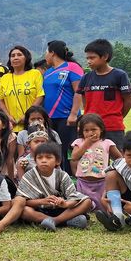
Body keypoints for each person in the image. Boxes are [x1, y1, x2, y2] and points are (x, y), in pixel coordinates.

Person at [17, 142, 93, 231]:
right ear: (35, 160)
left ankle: (55, 221)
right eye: (40, 158)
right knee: (24, 210)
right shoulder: (29, 176)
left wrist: (65, 204)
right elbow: (24, 201)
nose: (43, 160)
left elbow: (74, 197)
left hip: (62, 210)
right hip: (40, 210)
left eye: (48, 157)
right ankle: (67, 221)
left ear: (57, 161)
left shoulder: (62, 175)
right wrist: (42, 201)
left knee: (87, 201)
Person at [75, 39, 131, 147]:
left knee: (119, 160)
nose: (89, 61)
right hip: (90, 128)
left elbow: (129, 101)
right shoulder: (86, 78)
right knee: (93, 159)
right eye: (87, 58)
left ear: (105, 57)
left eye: (92, 58)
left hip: (113, 127)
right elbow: (85, 101)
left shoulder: (119, 75)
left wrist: (117, 117)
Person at [42, 40, 84, 175]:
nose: (45, 56)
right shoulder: (47, 72)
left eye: (46, 52)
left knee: (68, 150)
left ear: (52, 52)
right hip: (49, 118)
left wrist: (73, 114)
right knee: (53, 151)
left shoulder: (72, 67)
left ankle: (72, 179)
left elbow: (78, 91)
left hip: (67, 117)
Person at [70, 114, 122, 210]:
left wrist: (112, 172)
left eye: (93, 130)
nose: (90, 133)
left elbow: (119, 159)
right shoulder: (79, 142)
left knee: (102, 206)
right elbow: (74, 157)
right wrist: (86, 143)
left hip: (101, 182)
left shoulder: (107, 143)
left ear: (101, 129)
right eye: (86, 130)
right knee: (83, 204)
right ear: (81, 131)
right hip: (83, 181)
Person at [0, 45, 44, 133]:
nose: (15, 57)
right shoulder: (5, 78)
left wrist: (27, 115)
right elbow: (1, 100)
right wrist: (8, 117)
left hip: (32, 123)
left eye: (19, 55)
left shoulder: (35, 74)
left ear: (26, 58)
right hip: (12, 125)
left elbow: (40, 96)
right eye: (13, 56)